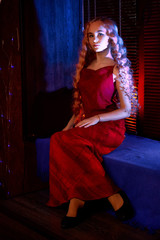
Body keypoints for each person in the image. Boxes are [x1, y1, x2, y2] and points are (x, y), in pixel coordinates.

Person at [47, 17, 137, 228]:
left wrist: (97, 117)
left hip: (109, 127)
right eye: (90, 35)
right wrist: (67, 128)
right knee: (58, 138)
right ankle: (83, 199)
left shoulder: (116, 69)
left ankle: (90, 200)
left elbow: (127, 110)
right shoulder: (86, 70)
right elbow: (80, 107)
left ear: (111, 38)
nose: (94, 39)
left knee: (66, 142)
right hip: (88, 124)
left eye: (100, 34)